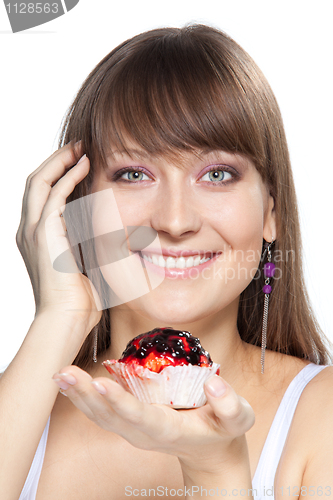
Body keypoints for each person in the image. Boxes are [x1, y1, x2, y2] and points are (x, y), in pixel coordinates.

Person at [1, 24, 333, 500]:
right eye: (134, 173)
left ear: (271, 213)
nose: (175, 221)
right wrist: (59, 319)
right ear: (78, 208)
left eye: (217, 174)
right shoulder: (23, 411)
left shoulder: (323, 416)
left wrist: (216, 468)